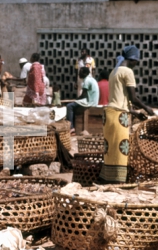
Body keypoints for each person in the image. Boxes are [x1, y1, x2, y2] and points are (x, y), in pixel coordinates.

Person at [100, 45, 155, 184]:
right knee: (122, 148)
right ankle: (119, 180)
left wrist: (135, 113)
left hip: (109, 115)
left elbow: (119, 100)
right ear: (133, 59)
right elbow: (133, 98)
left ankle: (108, 177)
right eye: (137, 60)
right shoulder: (128, 72)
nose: (137, 63)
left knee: (111, 148)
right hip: (119, 117)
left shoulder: (114, 71)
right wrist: (147, 108)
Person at [66, 67, 100, 134]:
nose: (79, 74)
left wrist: (76, 100)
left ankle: (71, 127)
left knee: (69, 106)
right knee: (74, 105)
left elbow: (83, 94)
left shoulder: (87, 80)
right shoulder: (91, 79)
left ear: (84, 73)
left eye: (80, 72)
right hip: (92, 101)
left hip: (89, 102)